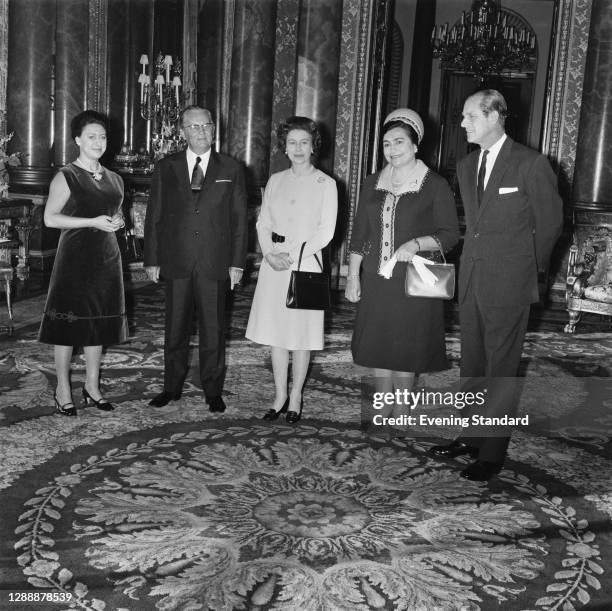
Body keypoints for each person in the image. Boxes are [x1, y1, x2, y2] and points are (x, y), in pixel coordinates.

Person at [430, 89, 563, 481]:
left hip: (510, 281)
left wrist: (527, 271)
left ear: (495, 116)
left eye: (471, 116)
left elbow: (550, 225)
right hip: (471, 278)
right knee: (472, 362)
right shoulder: (467, 164)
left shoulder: (531, 164)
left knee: (501, 367)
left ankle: (491, 452)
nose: (463, 123)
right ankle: (470, 436)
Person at [345, 108, 459, 422]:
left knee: (407, 345)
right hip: (377, 279)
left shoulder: (434, 184)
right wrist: (353, 276)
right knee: (378, 342)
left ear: (415, 145)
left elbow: (450, 235)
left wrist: (416, 243)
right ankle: (382, 402)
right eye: (386, 144)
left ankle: (403, 406)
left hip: (416, 279)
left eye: (399, 142)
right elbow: (359, 235)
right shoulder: (372, 183)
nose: (392, 150)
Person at [144, 105, 247, 412]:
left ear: (215, 128)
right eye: (194, 127)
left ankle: (213, 390)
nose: (201, 132)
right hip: (177, 260)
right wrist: (151, 259)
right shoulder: (167, 167)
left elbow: (240, 219)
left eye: (207, 126)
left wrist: (237, 263)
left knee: (213, 330)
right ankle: (171, 387)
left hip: (215, 262)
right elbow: (155, 217)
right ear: (183, 131)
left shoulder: (231, 168)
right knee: (174, 329)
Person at [246, 116, 338, 423]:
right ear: (284, 148)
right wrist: (270, 254)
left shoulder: (327, 184)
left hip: (306, 267)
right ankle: (279, 395)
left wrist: (293, 256)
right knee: (277, 335)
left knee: (301, 336)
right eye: (292, 143)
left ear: (313, 147)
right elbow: (263, 223)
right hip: (275, 266)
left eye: (304, 142)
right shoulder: (275, 180)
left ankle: (296, 395)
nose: (298, 149)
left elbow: (326, 232)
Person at [39, 110, 127, 415]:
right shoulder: (67, 175)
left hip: (106, 257)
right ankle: (63, 388)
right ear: (77, 139)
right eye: (91, 136)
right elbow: (50, 218)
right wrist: (92, 221)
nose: (98, 142)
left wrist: (117, 221)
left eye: (102, 137)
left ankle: (92, 386)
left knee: (98, 325)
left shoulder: (115, 178)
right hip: (75, 259)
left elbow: (114, 212)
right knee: (66, 324)